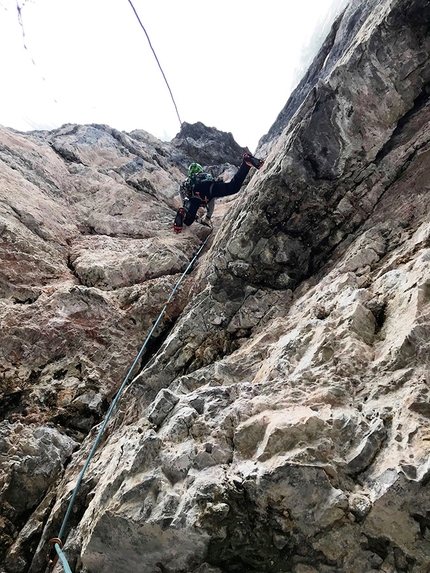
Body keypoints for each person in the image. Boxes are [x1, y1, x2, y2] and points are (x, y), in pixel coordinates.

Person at [173, 152, 264, 233]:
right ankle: (246, 163)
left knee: (188, 220)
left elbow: (183, 194)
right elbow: (211, 201)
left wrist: (185, 207)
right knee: (233, 187)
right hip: (210, 188)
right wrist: (208, 217)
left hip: (194, 196)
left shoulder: (187, 181)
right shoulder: (204, 176)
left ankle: (182, 214)